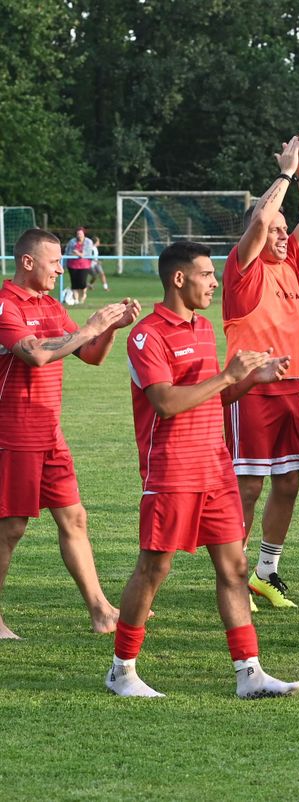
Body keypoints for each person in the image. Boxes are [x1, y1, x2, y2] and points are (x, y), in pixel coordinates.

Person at [107, 241, 299, 699]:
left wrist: (250, 379)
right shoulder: (147, 335)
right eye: (207, 275)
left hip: (215, 467)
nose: (215, 283)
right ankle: (121, 671)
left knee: (235, 567)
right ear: (179, 279)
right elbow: (165, 402)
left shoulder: (204, 327)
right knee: (154, 568)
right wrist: (229, 375)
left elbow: (211, 394)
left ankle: (249, 673)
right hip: (172, 470)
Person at [0, 228, 139, 640]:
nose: (61, 270)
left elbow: (90, 355)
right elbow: (36, 355)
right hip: (14, 434)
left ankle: (101, 612)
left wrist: (110, 328)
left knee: (75, 518)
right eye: (55, 262)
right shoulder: (6, 304)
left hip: (50, 433)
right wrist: (89, 327)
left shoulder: (51, 305)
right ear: (28, 262)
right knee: (10, 528)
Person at [222, 132, 299, 608]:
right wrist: (282, 173)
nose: (284, 236)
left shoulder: (290, 263)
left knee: (289, 482)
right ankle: (234, 575)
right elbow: (263, 219)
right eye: (277, 231)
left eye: (286, 231)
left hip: (290, 387)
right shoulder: (243, 269)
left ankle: (266, 571)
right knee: (248, 486)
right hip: (250, 391)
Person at [64, 227, 97, 305]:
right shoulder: (72, 241)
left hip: (84, 265)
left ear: (84, 234)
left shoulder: (88, 242)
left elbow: (86, 254)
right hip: (72, 265)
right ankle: (76, 300)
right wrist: (76, 254)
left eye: (80, 234)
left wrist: (77, 253)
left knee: (82, 283)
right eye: (78, 234)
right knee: (74, 284)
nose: (79, 235)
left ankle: (82, 298)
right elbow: (68, 253)